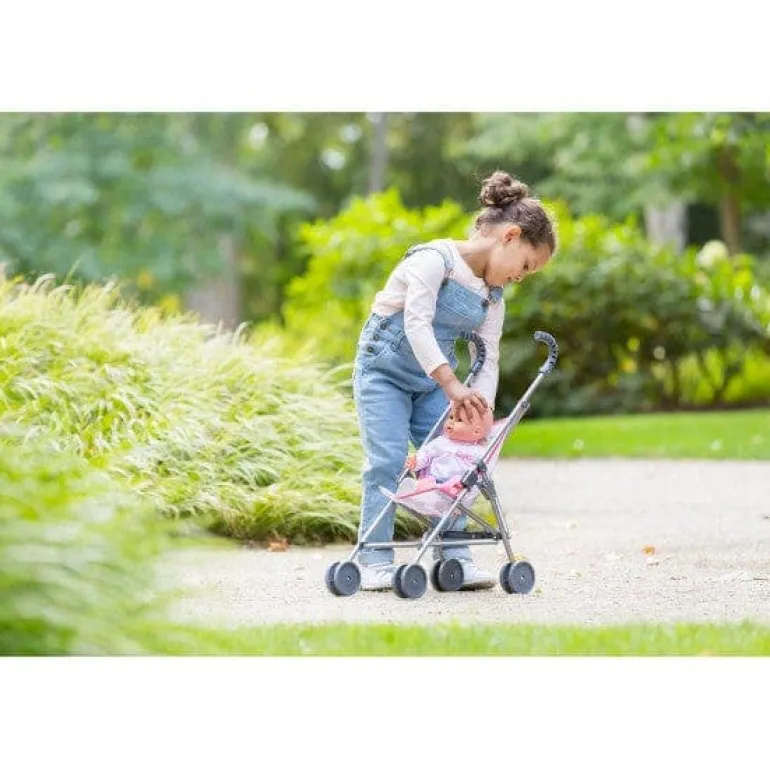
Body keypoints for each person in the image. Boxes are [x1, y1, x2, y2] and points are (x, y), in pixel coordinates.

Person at [352, 170, 557, 591]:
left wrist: (480, 409)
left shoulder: (492, 298)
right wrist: (450, 384)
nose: (521, 276)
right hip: (384, 374)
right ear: (510, 236)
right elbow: (416, 323)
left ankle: (456, 557)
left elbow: (489, 356)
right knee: (387, 462)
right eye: (524, 265)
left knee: (453, 464)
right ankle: (374, 559)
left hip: (433, 384)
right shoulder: (433, 261)